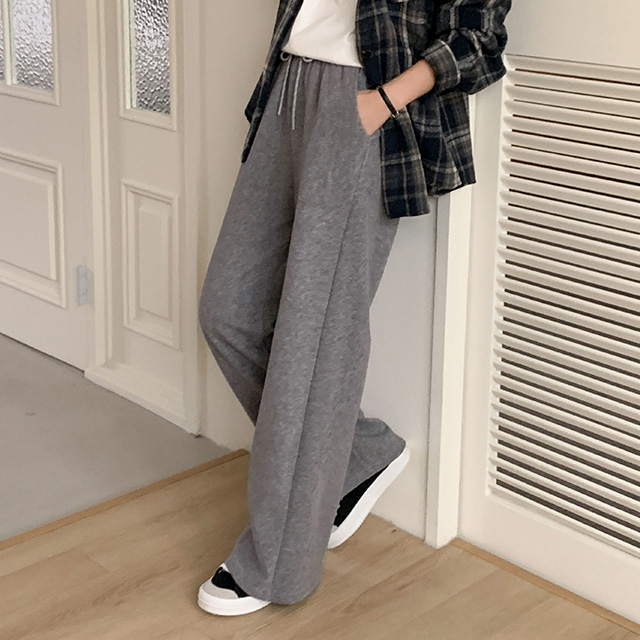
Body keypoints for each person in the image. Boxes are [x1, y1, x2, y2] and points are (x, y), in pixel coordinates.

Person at [197, 0, 512, 617]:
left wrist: (385, 100)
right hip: (288, 87)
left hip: (363, 98)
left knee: (312, 341)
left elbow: (480, 37)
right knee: (228, 312)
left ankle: (279, 563)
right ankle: (360, 451)